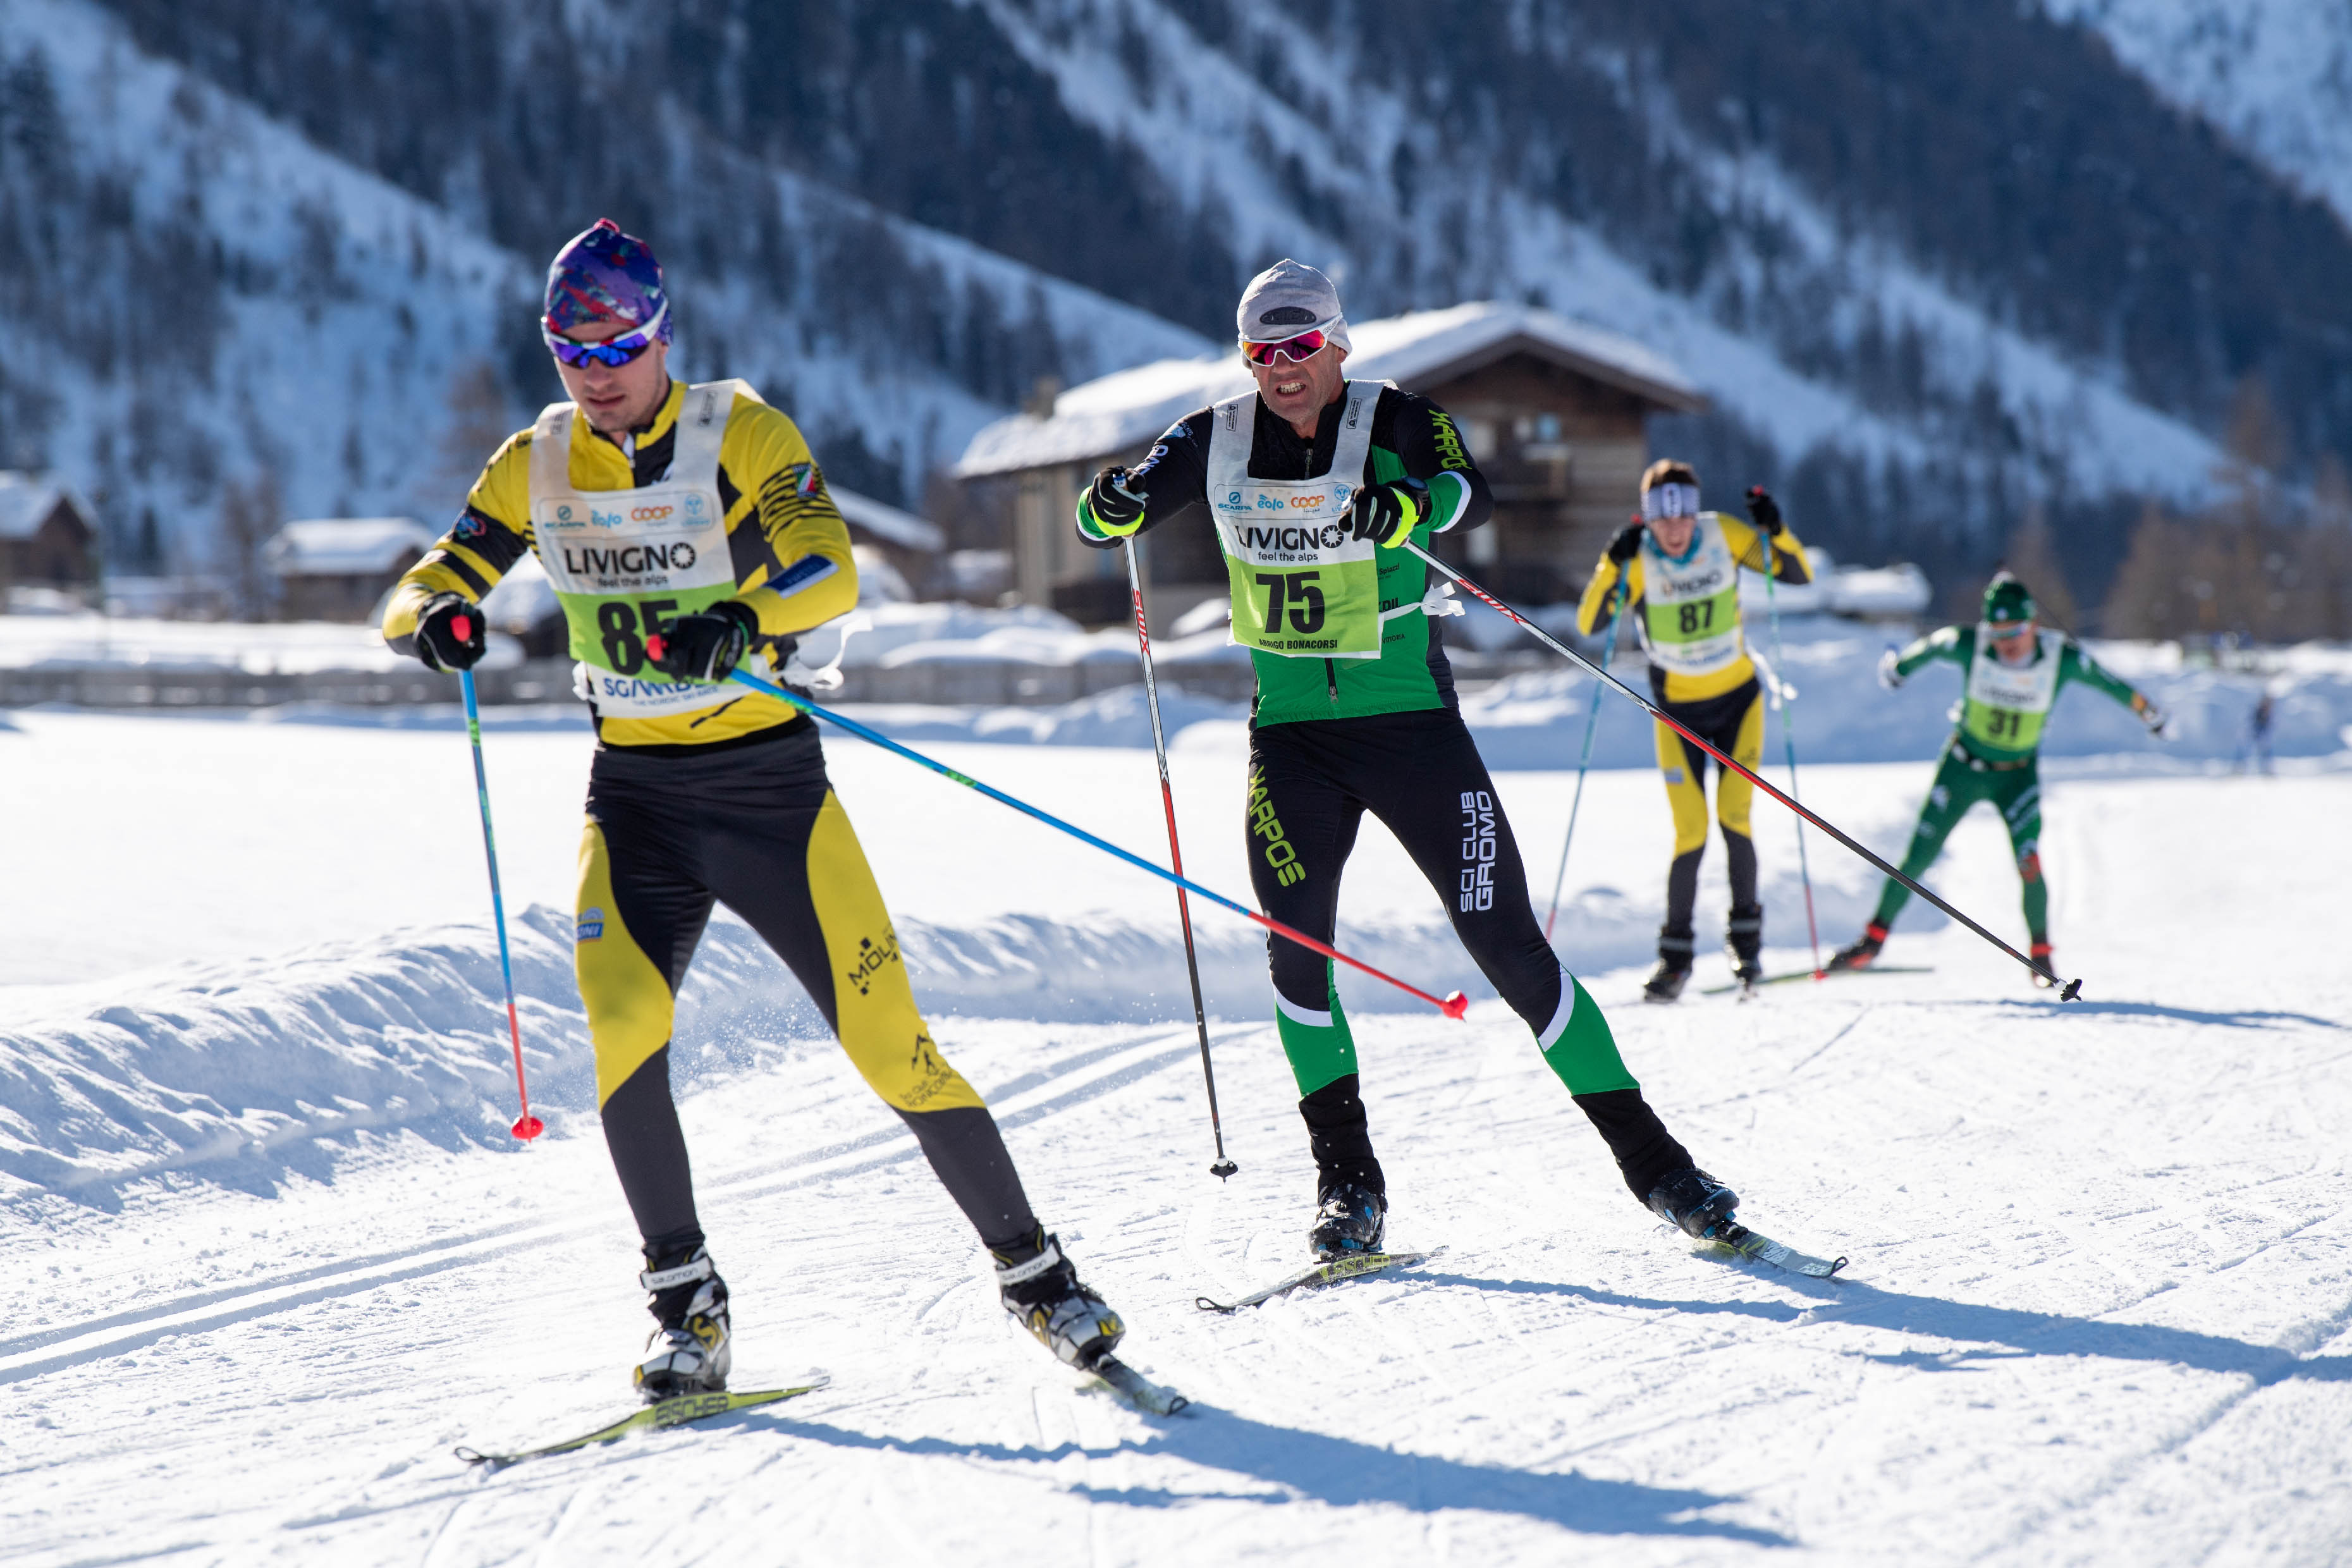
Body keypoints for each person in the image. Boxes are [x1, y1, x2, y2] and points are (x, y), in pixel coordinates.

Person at [383, 219, 1125, 1400]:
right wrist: (436, 617)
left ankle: (1038, 1276)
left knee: (895, 1047)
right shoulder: (534, 459)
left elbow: (831, 568)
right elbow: (432, 577)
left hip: (770, 792)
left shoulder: (742, 429)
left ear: (662, 334)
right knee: (621, 1032)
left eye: (618, 347)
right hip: (633, 800)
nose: (597, 373)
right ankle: (686, 1305)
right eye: (571, 352)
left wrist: (748, 619)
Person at [1072, 258, 1742, 1261]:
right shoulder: (1211, 436)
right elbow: (1111, 512)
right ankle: (1349, 1186)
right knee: (1297, 957)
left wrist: (1412, 509)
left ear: (1339, 343)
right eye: (1262, 350)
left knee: (1512, 949)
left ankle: (1661, 1170)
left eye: (1301, 346)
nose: (1282, 367)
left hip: (1414, 730)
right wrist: (1108, 505)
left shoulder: (1396, 420)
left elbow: (1464, 486)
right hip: (1292, 742)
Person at [1827, 571, 2169, 981]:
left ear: (2034, 626)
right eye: (1998, 632)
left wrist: (2147, 711)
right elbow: (1935, 645)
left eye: (2016, 632)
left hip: (2016, 778)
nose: (2006, 644)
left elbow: (2108, 683)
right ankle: (1872, 942)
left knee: (2029, 861)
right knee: (1918, 855)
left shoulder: (2061, 659)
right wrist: (1898, 669)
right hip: (1962, 768)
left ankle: (2041, 956)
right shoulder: (1973, 647)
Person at [1573, 465, 1813, 1001]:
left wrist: (1777, 530)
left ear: (1695, 511)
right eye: (1663, 517)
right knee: (1690, 833)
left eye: (1683, 514)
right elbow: (1590, 622)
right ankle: (1674, 962)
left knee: (1734, 818)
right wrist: (1610, 564)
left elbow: (1796, 574)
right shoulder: (1638, 558)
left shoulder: (1723, 534)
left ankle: (1747, 954)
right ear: (1648, 518)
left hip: (1738, 704)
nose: (1676, 528)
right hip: (1677, 716)